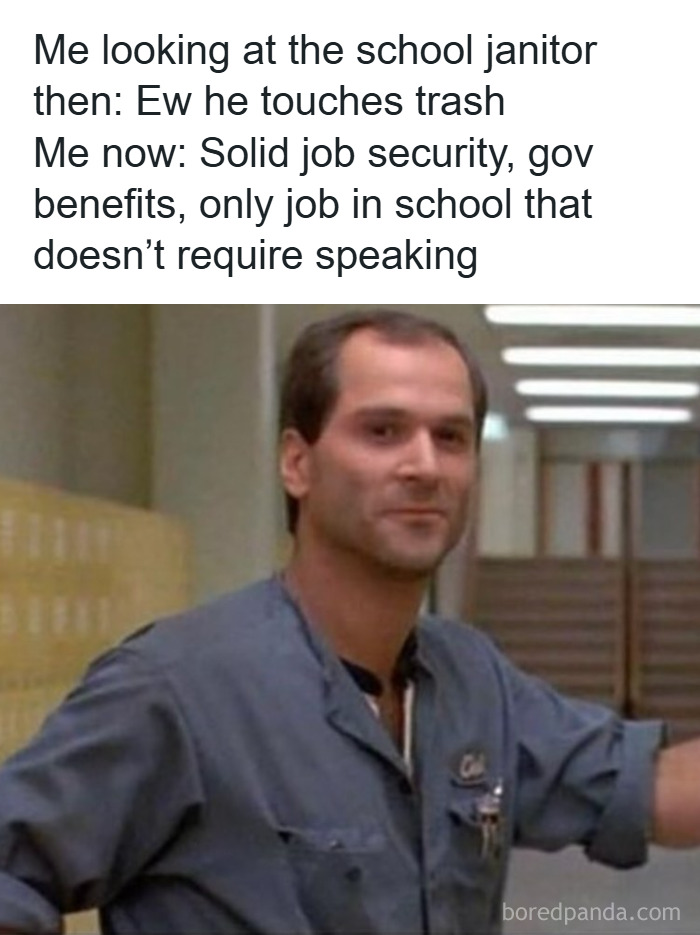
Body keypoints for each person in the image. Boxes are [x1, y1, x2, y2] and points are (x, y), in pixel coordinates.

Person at [0, 308, 698, 935]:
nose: (424, 464)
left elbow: (650, 786)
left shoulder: (471, 678)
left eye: (451, 436)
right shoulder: (177, 688)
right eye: (383, 431)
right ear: (297, 463)